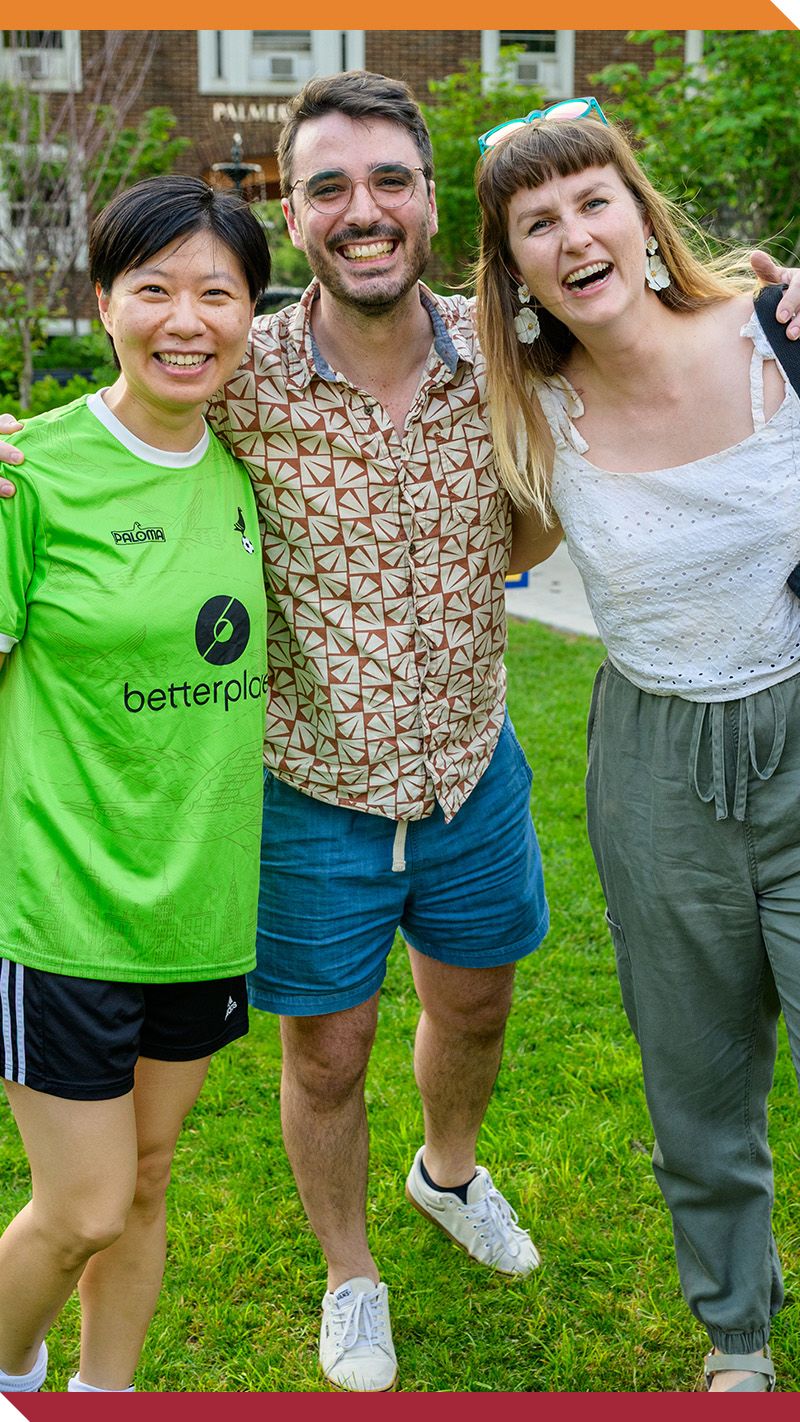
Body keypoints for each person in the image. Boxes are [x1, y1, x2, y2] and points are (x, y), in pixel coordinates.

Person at [1, 73, 800, 1395]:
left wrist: (773, 299)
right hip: (312, 787)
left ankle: (448, 1172)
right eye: (328, 187)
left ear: (432, 203)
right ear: (294, 211)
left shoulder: (512, 356)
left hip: (472, 771)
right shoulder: (234, 365)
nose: (361, 212)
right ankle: (350, 1270)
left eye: (389, 182)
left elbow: (668, 351)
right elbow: (116, 437)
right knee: (327, 1048)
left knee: (474, 1006)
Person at [473, 97, 800, 1392]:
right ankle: (740, 1339)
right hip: (656, 774)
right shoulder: (535, 419)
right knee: (697, 1084)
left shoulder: (777, 336)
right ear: (516, 272)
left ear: (641, 217)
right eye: (535, 222)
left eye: (591, 199)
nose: (573, 233)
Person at [0, 174, 270, 1394]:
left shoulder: (252, 471)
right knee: (85, 1207)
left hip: (198, 914)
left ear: (251, 316)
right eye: (153, 288)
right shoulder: (32, 477)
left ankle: (104, 1399)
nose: (185, 319)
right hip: (54, 913)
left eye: (217, 292)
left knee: (150, 1181)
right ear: (102, 303)